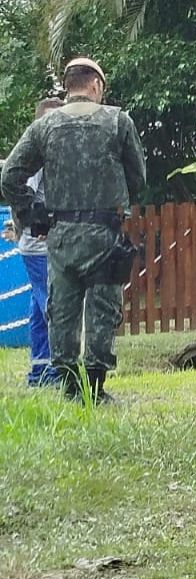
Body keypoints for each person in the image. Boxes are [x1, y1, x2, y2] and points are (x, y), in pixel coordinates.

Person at [1, 58, 146, 403]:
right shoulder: (118, 122)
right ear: (96, 85)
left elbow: (10, 177)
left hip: (60, 234)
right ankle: (95, 389)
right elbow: (138, 180)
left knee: (61, 309)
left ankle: (69, 387)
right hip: (104, 233)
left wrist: (31, 214)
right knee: (102, 309)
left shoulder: (44, 126)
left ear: (68, 86)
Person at [1, 98, 64, 387]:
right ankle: (55, 370)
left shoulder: (45, 152)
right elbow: (22, 193)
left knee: (38, 309)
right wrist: (28, 224)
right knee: (52, 305)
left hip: (36, 243)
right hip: (39, 246)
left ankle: (39, 370)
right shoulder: (37, 155)